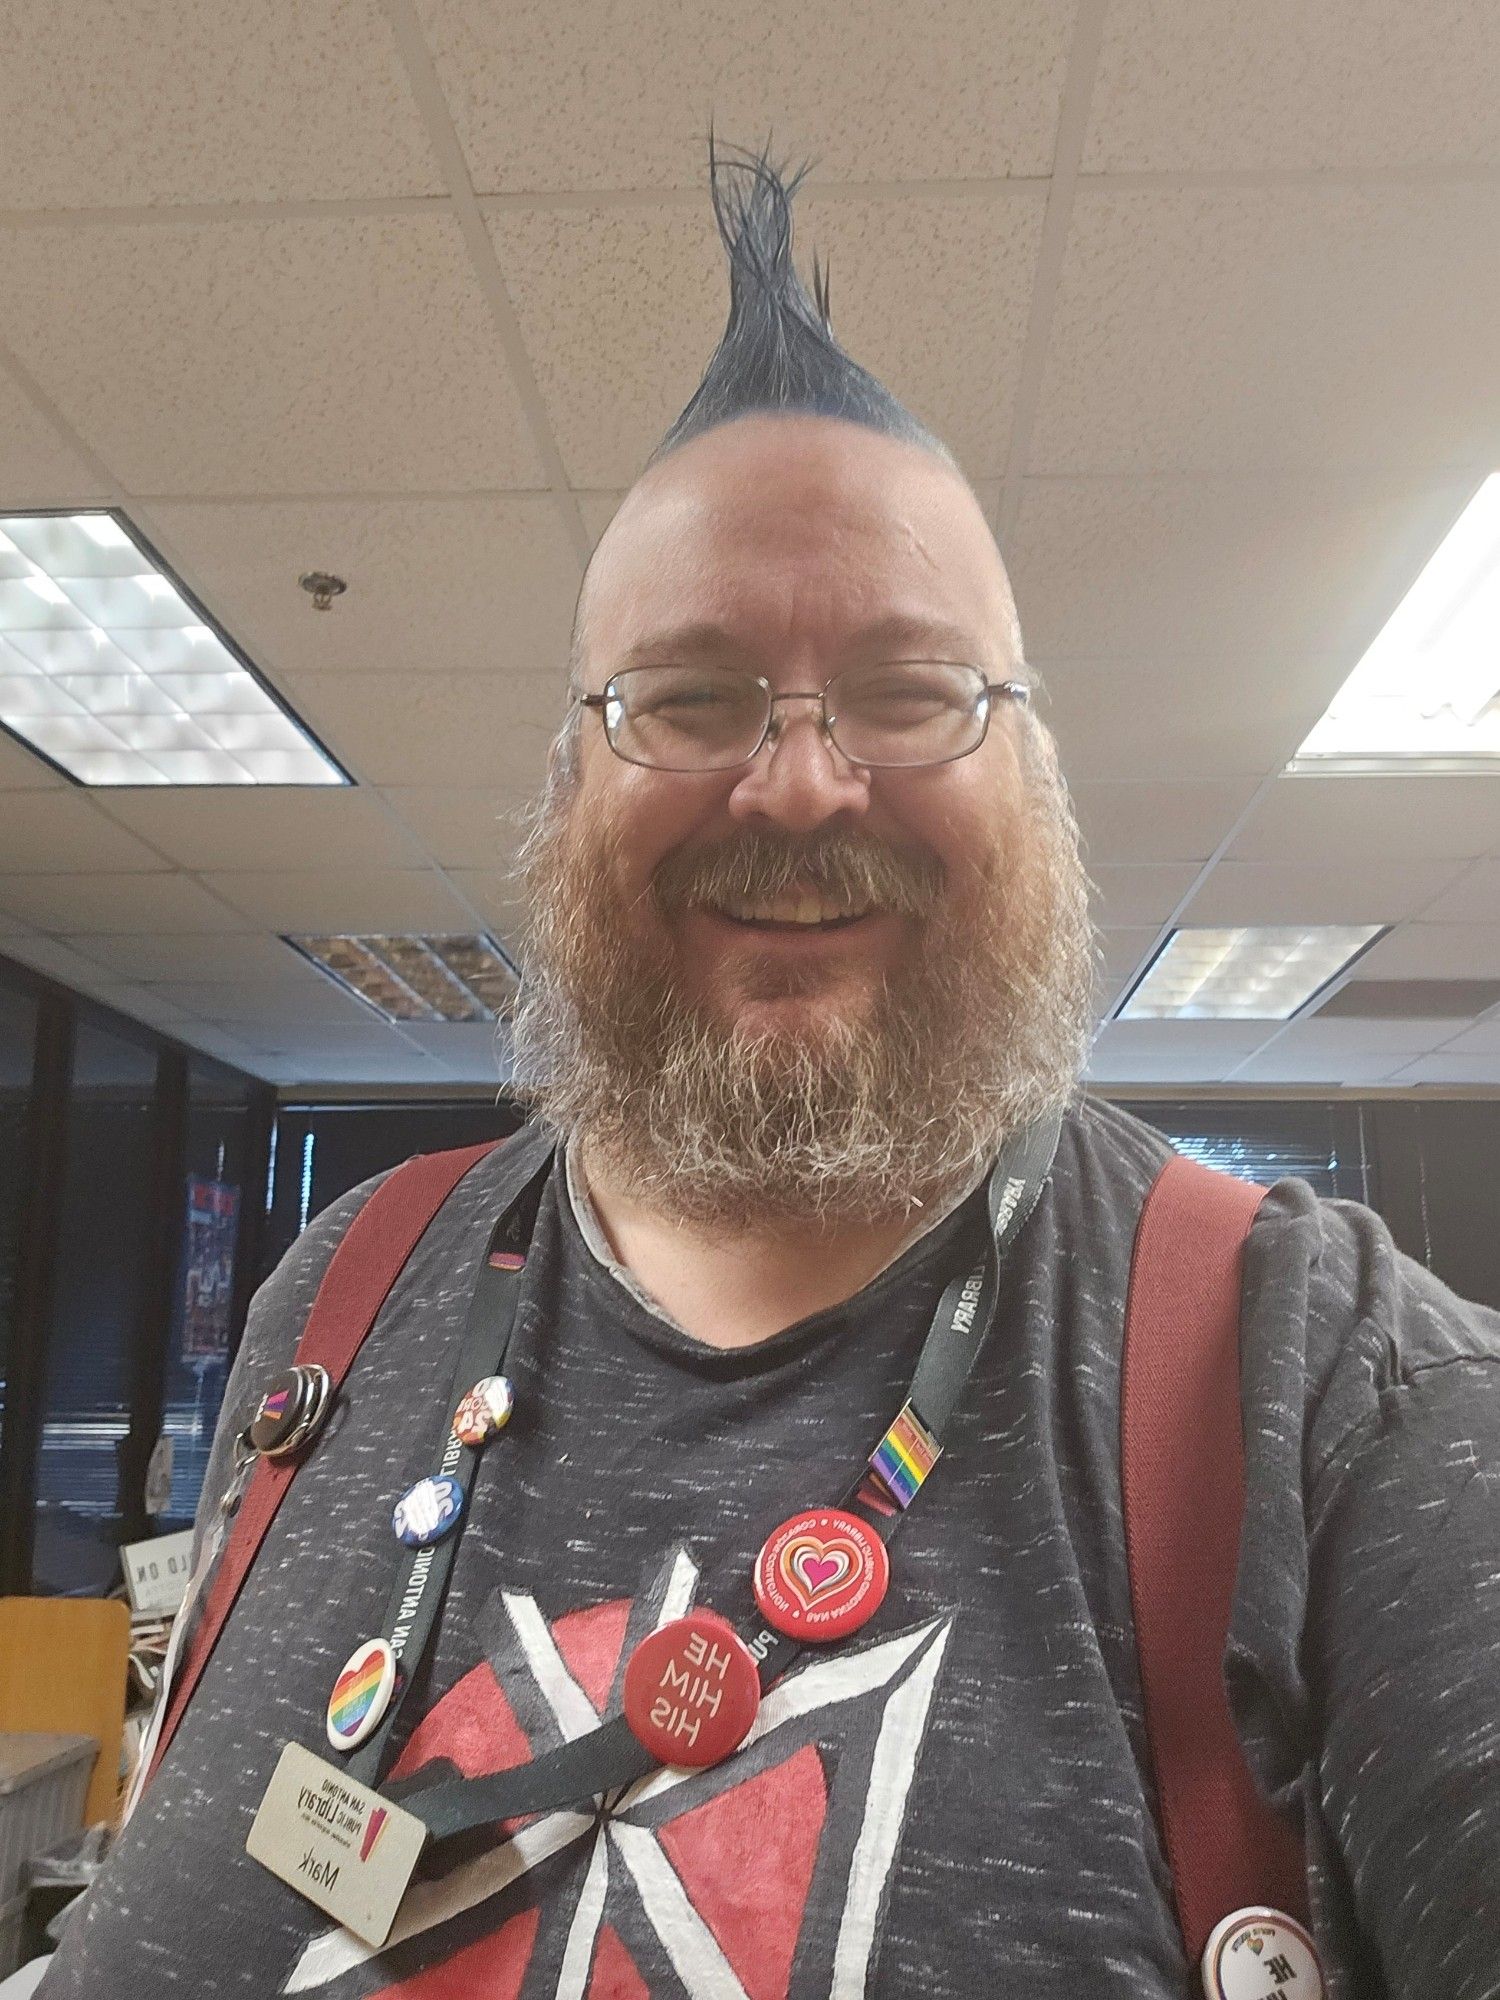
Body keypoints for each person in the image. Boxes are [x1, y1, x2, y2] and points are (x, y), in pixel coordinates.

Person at [35, 136, 1500, 2000]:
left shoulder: (1334, 1396)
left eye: (907, 690)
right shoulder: (337, 1297)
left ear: (1033, 777)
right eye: (691, 696)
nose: (801, 780)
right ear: (572, 783)